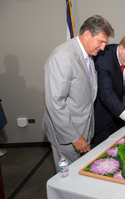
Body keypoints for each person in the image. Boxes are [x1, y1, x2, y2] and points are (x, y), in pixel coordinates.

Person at [42, 15, 114, 172]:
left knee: (80, 174)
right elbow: (55, 103)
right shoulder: (62, 57)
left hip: (83, 129)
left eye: (105, 43)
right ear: (87, 35)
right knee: (68, 179)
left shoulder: (87, 53)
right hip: (67, 135)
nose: (103, 47)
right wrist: (74, 137)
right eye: (100, 41)